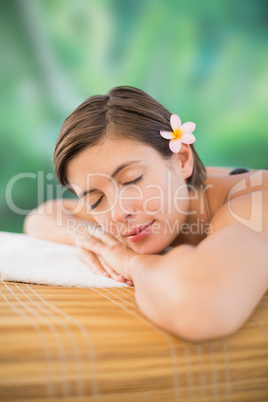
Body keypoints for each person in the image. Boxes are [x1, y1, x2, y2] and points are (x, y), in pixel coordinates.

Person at [24, 86, 268, 341]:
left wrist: (129, 261)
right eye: (95, 200)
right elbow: (43, 216)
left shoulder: (253, 202)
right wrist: (93, 240)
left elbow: (199, 306)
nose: (118, 213)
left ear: (183, 159)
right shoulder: (148, 206)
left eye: (132, 180)